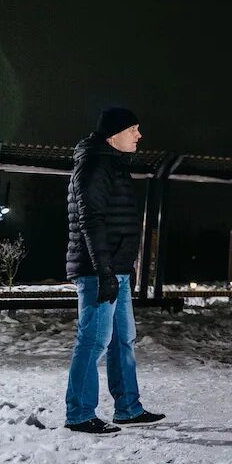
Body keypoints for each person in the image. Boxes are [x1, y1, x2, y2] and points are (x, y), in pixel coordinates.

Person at [64, 107, 164, 434]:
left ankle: (128, 408)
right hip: (98, 270)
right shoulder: (93, 166)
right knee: (94, 339)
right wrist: (104, 271)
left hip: (116, 269)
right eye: (133, 129)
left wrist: (122, 269)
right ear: (113, 135)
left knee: (123, 339)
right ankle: (79, 414)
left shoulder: (113, 166)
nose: (139, 135)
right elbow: (91, 221)